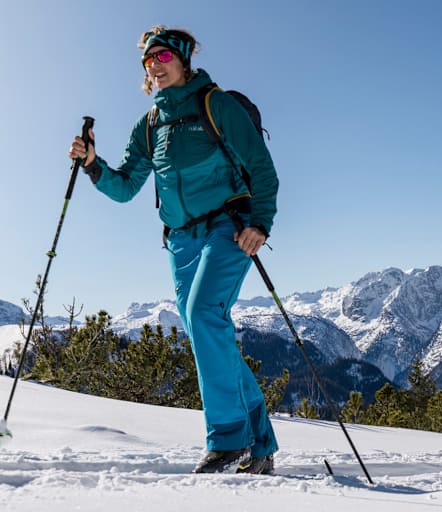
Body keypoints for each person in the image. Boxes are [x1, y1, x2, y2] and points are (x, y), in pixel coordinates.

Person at [68, 26, 279, 474]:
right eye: (148, 62)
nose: (155, 67)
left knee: (204, 315)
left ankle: (227, 440)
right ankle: (260, 444)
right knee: (210, 330)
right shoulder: (149, 125)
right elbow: (125, 187)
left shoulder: (216, 105)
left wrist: (261, 222)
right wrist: (92, 164)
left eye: (162, 57)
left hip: (229, 227)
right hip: (179, 240)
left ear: (183, 60)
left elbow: (261, 166)